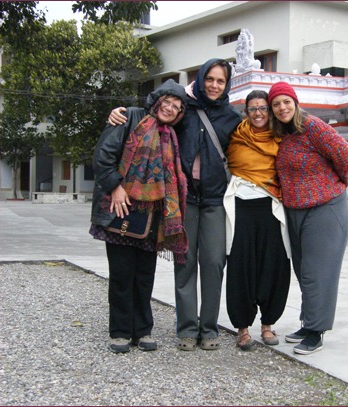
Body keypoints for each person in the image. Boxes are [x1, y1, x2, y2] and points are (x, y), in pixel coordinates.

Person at [108, 59, 242, 351]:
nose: (214, 85)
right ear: (201, 78)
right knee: (184, 262)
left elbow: (252, 142)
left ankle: (209, 329)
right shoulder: (186, 111)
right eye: (210, 79)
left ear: (227, 84)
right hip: (184, 200)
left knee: (214, 263)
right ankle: (186, 329)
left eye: (221, 81)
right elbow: (154, 117)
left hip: (215, 200)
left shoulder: (233, 117)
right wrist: (118, 113)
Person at [90, 79, 189, 353]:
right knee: (122, 275)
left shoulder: (172, 135)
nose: (169, 109)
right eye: (166, 102)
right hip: (121, 207)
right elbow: (102, 156)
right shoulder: (130, 116)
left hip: (153, 216)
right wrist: (116, 187)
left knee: (145, 276)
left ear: (180, 113)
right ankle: (120, 332)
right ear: (156, 101)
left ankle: (142, 330)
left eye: (176, 106)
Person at [267, 81, 348, 355]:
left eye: (286, 101)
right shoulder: (282, 134)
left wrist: (337, 185)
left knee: (319, 272)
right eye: (276, 104)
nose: (282, 107)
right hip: (295, 209)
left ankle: (316, 332)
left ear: (295, 102)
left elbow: (347, 156)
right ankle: (308, 323)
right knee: (304, 271)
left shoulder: (313, 126)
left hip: (324, 208)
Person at [223, 90, 291, 350]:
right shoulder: (236, 135)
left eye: (263, 108)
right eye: (253, 109)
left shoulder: (281, 137)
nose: (259, 113)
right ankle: (242, 329)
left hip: (272, 208)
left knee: (274, 265)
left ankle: (268, 325)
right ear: (246, 112)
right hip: (240, 208)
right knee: (241, 266)